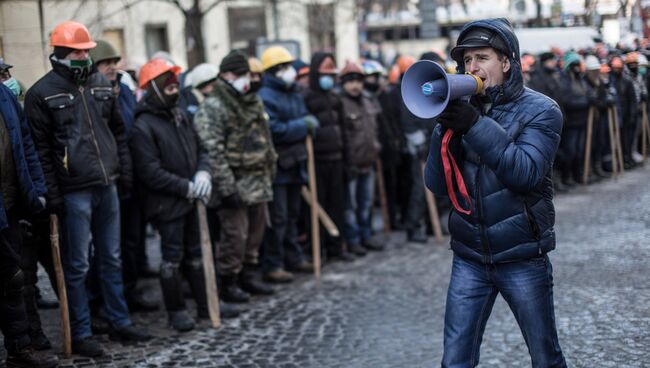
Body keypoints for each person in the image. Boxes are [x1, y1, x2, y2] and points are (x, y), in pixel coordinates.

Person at [424, 18, 567, 367]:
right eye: (467, 60)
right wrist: (445, 133)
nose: (473, 67)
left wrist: (473, 125)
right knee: (455, 360)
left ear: (506, 62)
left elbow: (524, 173)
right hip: (469, 256)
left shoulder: (542, 111)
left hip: (521, 256)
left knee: (545, 357)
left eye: (482, 57)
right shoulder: (464, 109)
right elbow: (437, 185)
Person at [24, 21, 150, 357]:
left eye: (87, 51)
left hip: (107, 183)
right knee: (77, 264)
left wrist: (122, 172)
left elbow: (117, 132)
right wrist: (52, 194)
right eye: (80, 51)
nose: (86, 55)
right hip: (73, 190)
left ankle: (119, 321)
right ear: (63, 53)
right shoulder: (42, 93)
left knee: (112, 257)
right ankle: (81, 332)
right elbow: (40, 150)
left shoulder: (100, 83)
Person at [129, 58, 213, 331]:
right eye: (166, 81)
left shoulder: (181, 114)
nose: (173, 86)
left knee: (197, 253)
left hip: (191, 198)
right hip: (166, 204)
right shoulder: (142, 126)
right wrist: (185, 187)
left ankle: (205, 305)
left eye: (174, 81)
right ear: (152, 88)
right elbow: (149, 172)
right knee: (172, 258)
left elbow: (201, 149)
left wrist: (203, 173)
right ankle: (176, 311)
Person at [194, 50, 277, 303]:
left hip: (258, 179)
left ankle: (249, 275)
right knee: (235, 236)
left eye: (247, 74)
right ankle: (228, 281)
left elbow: (265, 138)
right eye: (239, 74)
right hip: (233, 184)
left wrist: (270, 167)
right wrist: (227, 188)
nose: (245, 79)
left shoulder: (252, 101)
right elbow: (213, 150)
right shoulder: (213, 107)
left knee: (255, 234)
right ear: (224, 75)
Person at [88, 39, 158, 313]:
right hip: (107, 178)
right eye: (106, 63)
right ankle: (99, 300)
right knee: (105, 248)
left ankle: (129, 292)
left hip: (131, 178)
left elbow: (131, 128)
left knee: (131, 242)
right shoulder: (92, 93)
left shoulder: (124, 92)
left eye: (115, 63)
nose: (112, 68)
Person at [0, 78, 59, 367]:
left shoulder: (5, 97)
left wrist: (36, 189)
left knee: (12, 278)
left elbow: (25, 146)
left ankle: (19, 348)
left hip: (8, 206)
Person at [258, 46, 316, 283]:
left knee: (293, 214)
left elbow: (306, 118)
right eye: (284, 67)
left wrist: (310, 124)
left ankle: (294, 257)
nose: (290, 71)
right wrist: (303, 126)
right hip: (278, 165)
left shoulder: (293, 92)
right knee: (278, 218)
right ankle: (273, 263)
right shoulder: (266, 96)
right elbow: (274, 130)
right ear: (274, 71)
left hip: (296, 162)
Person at [304, 52, 358, 260]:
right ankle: (317, 251)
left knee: (338, 206)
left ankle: (337, 248)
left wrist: (348, 161)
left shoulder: (335, 99)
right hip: (316, 161)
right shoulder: (306, 98)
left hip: (336, 159)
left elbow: (343, 132)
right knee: (317, 208)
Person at [338, 61, 383, 253]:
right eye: (350, 81)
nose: (355, 85)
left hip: (369, 160)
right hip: (351, 164)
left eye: (358, 80)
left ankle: (366, 235)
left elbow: (374, 129)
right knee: (351, 206)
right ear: (343, 83)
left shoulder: (368, 101)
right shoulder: (339, 103)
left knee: (366, 203)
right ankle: (353, 239)